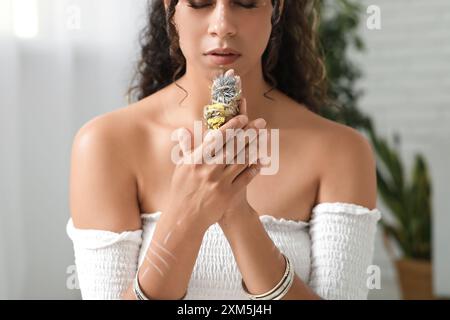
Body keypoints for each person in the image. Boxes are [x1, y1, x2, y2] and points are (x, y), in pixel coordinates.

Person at [66, 0, 381, 300]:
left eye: (245, 2)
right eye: (200, 3)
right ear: (170, 7)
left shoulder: (340, 152)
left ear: (276, 7)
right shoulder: (106, 144)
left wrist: (239, 218)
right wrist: (186, 217)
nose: (222, 25)